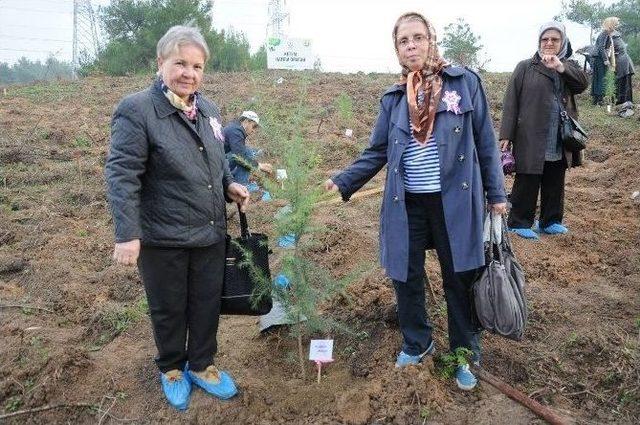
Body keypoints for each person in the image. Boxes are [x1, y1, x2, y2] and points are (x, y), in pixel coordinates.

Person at [324, 12, 506, 391]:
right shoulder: (394, 98)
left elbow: (486, 142)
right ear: (397, 49)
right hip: (405, 203)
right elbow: (376, 152)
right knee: (404, 276)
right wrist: (342, 181)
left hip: (453, 201)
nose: (412, 46)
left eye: (418, 37)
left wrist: (496, 194)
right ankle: (417, 342)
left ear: (431, 40)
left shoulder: (463, 82)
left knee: (459, 277)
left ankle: (464, 354)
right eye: (404, 40)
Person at [105, 25, 250, 411]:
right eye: (180, 63)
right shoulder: (137, 110)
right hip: (162, 235)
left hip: (209, 232)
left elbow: (215, 160)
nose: (189, 73)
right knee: (169, 306)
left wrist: (228, 185)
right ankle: (171, 366)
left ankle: (202, 364)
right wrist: (127, 234)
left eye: (197, 66)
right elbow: (122, 175)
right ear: (161, 63)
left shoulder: (209, 109)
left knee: (205, 302)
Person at [499, 22, 588, 240]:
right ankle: (519, 221)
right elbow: (511, 101)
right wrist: (506, 135)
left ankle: (550, 221)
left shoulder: (568, 66)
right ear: (539, 42)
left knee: (555, 178)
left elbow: (582, 85)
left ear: (562, 43)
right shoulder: (525, 67)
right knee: (528, 177)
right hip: (530, 133)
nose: (549, 43)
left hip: (559, 133)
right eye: (544, 39)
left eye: (554, 40)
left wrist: (560, 67)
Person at [223, 111, 273, 188]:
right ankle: (241, 186)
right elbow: (240, 157)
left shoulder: (235, 128)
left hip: (218, 162)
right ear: (246, 121)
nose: (253, 130)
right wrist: (260, 166)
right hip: (215, 167)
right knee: (248, 152)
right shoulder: (236, 131)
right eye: (254, 126)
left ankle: (233, 181)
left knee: (249, 151)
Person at [609, 18, 635, 105]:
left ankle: (624, 100)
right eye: (616, 23)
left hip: (622, 60)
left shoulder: (615, 35)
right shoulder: (611, 36)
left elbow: (620, 49)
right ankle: (622, 100)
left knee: (624, 81)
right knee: (621, 81)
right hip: (620, 60)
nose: (618, 24)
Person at [592, 17, 616, 105]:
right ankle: (599, 100)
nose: (616, 26)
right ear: (611, 24)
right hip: (600, 58)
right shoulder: (605, 33)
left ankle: (597, 100)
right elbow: (602, 48)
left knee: (598, 78)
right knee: (601, 78)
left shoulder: (606, 33)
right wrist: (606, 60)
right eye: (615, 24)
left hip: (599, 58)